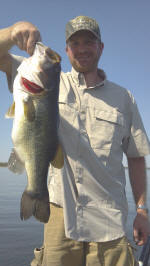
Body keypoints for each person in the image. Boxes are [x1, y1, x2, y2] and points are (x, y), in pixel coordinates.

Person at [0, 15, 150, 266]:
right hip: (59, 214)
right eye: (75, 43)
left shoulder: (125, 98)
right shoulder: (45, 77)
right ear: (67, 49)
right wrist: (12, 32)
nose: (82, 49)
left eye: (89, 42)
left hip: (109, 220)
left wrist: (142, 210)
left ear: (100, 47)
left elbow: (135, 157)